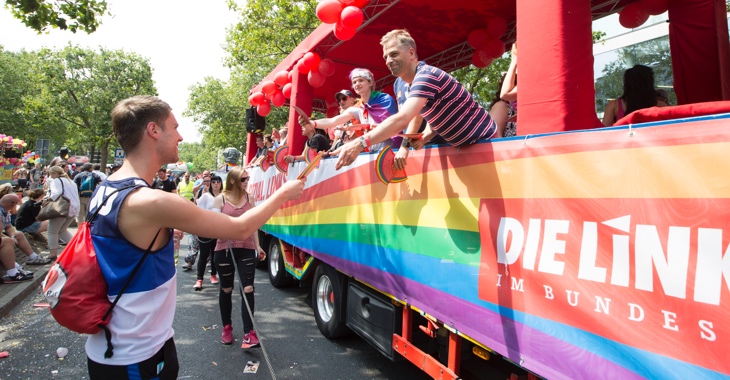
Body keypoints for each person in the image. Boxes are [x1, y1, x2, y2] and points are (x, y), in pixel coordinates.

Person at [83, 95, 304, 379]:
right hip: (135, 355)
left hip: (119, 346)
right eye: (174, 127)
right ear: (153, 130)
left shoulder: (107, 189)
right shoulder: (152, 201)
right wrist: (282, 194)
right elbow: (238, 229)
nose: (181, 136)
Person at [337, 29, 497, 170]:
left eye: (394, 54)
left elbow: (403, 119)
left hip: (487, 143)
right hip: (465, 147)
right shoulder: (407, 83)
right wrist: (426, 135)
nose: (388, 61)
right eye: (386, 57)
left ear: (411, 53)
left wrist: (360, 143)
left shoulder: (425, 77)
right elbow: (438, 112)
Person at [211, 167, 267, 348]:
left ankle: (248, 333)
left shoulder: (250, 198)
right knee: (226, 289)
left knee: (248, 288)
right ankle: (226, 327)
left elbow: (253, 225)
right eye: (243, 179)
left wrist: (258, 246)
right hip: (225, 249)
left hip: (246, 248)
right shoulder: (221, 199)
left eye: (248, 179)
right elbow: (213, 224)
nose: (247, 182)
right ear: (233, 181)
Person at [299, 69, 401, 153]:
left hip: (392, 149)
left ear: (370, 82)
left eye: (361, 80)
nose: (357, 84)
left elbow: (393, 126)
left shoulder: (385, 99)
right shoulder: (358, 107)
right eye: (354, 82)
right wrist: (311, 123)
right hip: (370, 152)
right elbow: (333, 121)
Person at [1, 193, 51, 265]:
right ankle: (13, 270)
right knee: (7, 241)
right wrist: (9, 239)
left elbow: (9, 227)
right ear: (13, 204)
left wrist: (12, 236)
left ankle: (33, 257)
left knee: (18, 234)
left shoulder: (5, 211)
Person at [192, 175, 222, 289]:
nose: (215, 184)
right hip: (205, 230)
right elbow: (198, 210)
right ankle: (199, 279)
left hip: (218, 230)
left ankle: (213, 275)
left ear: (221, 184)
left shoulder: (224, 197)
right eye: (213, 182)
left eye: (218, 182)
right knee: (203, 255)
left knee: (215, 254)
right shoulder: (205, 196)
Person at [46, 165, 80, 260]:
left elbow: (56, 193)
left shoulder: (56, 181)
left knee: (52, 231)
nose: (51, 176)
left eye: (51, 174)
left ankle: (52, 254)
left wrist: (47, 199)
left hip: (62, 208)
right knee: (62, 230)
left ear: (55, 173)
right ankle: (77, 248)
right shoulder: (71, 181)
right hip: (73, 208)